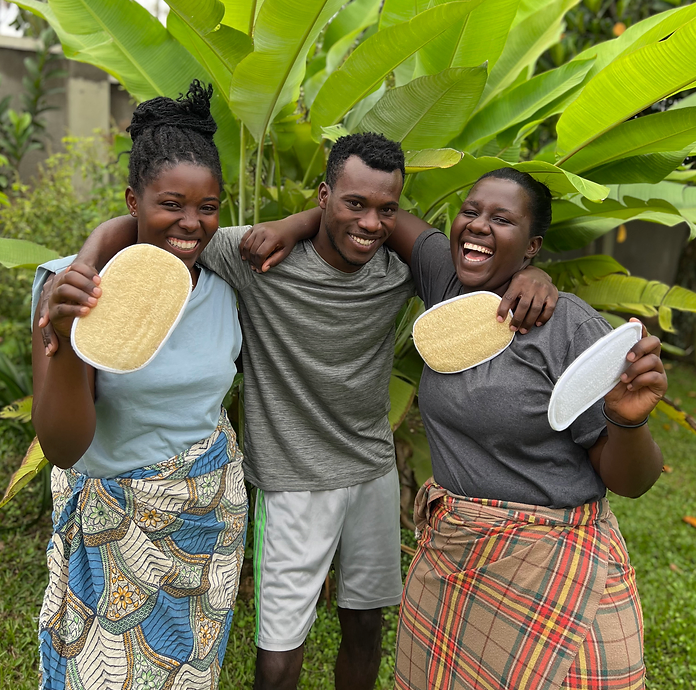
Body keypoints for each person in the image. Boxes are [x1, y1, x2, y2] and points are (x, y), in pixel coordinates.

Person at [38, 134, 560, 690]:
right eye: (352, 203)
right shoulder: (256, 258)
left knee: (366, 629)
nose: (370, 221)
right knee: (281, 651)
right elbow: (157, 226)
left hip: (372, 470)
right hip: (292, 481)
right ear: (324, 195)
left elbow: (441, 249)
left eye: (386, 209)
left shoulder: (400, 270)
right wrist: (89, 261)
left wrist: (538, 274)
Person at [385, 168, 667, 690]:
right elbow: (377, 208)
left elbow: (631, 482)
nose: (478, 226)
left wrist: (630, 422)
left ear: (533, 245)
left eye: (502, 219)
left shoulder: (569, 329)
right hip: (453, 560)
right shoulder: (446, 285)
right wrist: (297, 222)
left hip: (550, 566)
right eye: (470, 212)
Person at [32, 82, 249, 690]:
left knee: (188, 672)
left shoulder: (224, 287)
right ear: (134, 199)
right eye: (171, 203)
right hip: (113, 530)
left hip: (208, 521)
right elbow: (62, 445)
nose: (191, 222)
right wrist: (76, 336)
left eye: (208, 207)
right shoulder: (68, 289)